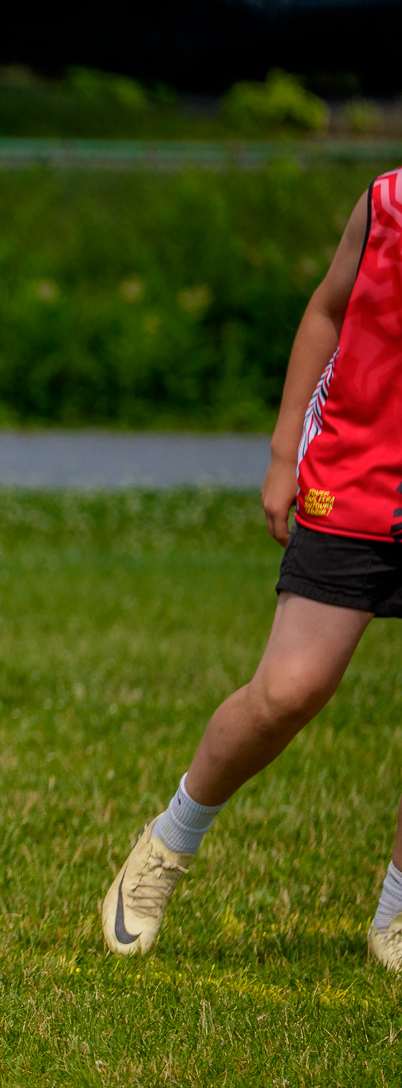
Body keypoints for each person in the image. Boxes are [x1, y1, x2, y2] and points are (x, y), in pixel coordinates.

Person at [101, 166, 402, 974]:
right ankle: (170, 839)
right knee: (288, 692)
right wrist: (281, 451)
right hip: (360, 478)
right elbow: (329, 310)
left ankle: (397, 915)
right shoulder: (386, 203)